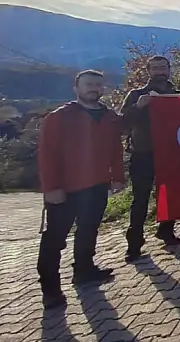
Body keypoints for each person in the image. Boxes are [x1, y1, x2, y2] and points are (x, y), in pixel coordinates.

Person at [37, 70, 125, 309]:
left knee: (88, 230)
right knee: (54, 240)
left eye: (98, 84)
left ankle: (84, 270)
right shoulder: (59, 117)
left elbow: (116, 150)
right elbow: (47, 155)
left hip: (96, 186)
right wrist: (51, 188)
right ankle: (51, 290)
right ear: (76, 88)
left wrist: (117, 177)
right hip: (66, 188)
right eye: (88, 84)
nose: (93, 88)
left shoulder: (109, 117)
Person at [121, 56, 180, 262]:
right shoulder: (136, 94)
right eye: (155, 68)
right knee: (140, 200)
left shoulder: (176, 95)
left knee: (170, 195)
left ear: (169, 69)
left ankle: (166, 230)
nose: (160, 71)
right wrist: (138, 106)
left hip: (170, 154)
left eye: (163, 67)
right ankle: (134, 244)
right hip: (143, 154)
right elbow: (122, 123)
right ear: (148, 71)